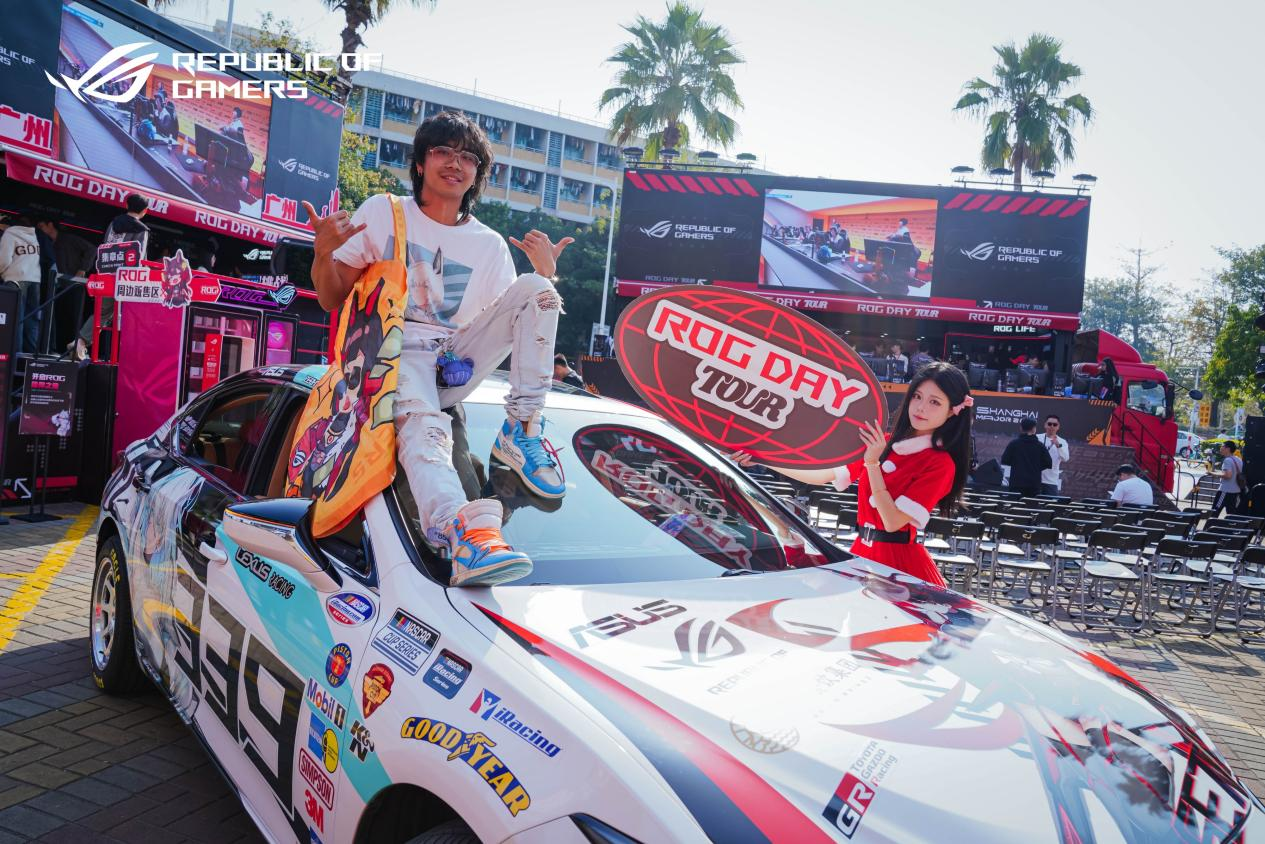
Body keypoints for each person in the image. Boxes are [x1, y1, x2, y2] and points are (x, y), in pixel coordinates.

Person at [304, 110, 573, 588]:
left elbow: (512, 322)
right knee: (427, 428)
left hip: (454, 360)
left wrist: (545, 276)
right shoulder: (384, 212)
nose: (455, 163)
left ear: (477, 173)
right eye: (443, 151)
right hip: (390, 354)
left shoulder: (489, 245)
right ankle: (459, 532)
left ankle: (521, 428)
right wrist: (323, 252)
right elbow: (330, 297)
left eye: (468, 157)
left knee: (539, 290)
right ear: (420, 162)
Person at [734, 362, 974, 588]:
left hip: (898, 565)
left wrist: (872, 463)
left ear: (952, 412)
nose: (921, 407)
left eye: (935, 402)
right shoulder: (882, 443)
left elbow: (892, 522)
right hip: (862, 551)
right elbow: (824, 475)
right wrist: (764, 458)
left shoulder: (940, 464)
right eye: (917, 396)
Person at [0, 214, 42, 353]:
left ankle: (14, 353)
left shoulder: (10, 234)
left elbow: (4, 260)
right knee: (32, 320)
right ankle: (30, 354)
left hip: (16, 279)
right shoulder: (34, 236)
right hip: (35, 280)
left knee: (15, 319)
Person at [1000, 418, 1051, 498]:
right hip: (1034, 485)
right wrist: (1036, 467)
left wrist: (1017, 464)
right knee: (1031, 505)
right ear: (1034, 429)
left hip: (1016, 483)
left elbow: (1005, 460)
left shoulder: (1014, 444)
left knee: (1015, 505)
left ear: (1021, 428)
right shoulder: (1040, 446)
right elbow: (1048, 463)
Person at [1036, 414, 1070, 495]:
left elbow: (1065, 458)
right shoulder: (1037, 437)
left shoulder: (1062, 442)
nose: (1052, 426)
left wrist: (1058, 445)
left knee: (1049, 502)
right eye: (1049, 424)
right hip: (1035, 479)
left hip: (1051, 481)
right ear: (1045, 425)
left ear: (1058, 427)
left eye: (1055, 424)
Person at [1212, 440, 1244, 516]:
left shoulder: (1227, 460)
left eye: (1222, 446)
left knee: (1214, 512)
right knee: (1231, 514)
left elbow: (1228, 475)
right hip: (1235, 491)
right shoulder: (1238, 459)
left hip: (1225, 490)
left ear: (1228, 449)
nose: (1220, 448)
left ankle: (1210, 524)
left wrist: (1212, 473)